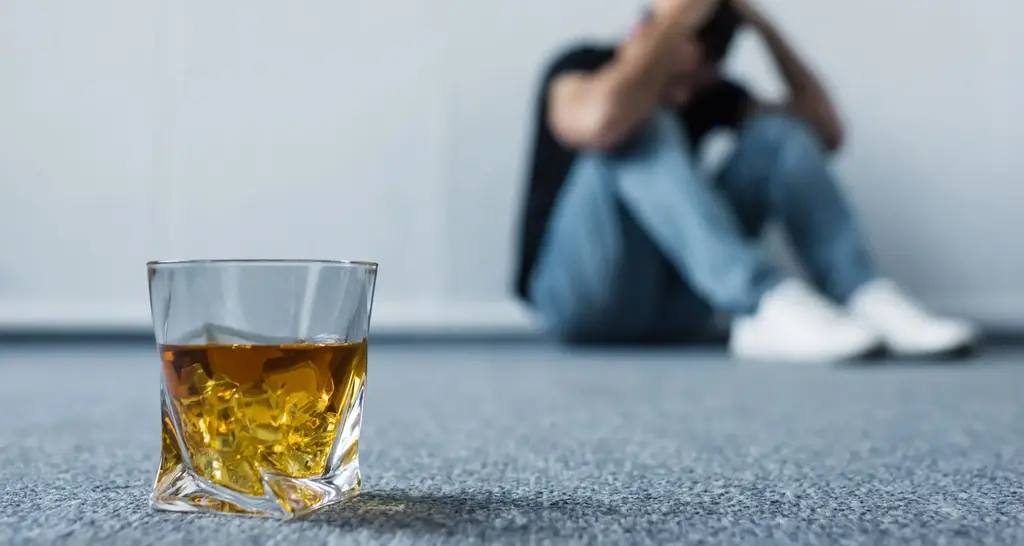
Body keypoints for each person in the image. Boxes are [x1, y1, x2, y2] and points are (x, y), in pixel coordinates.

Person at [513, 0, 978, 362]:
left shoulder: (710, 95)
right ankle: (764, 299)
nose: (683, 95)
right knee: (638, 124)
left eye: (694, 83)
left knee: (778, 135)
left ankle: (862, 292)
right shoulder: (580, 66)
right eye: (675, 79)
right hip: (580, 300)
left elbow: (824, 134)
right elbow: (600, 122)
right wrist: (671, 20)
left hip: (673, 306)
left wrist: (762, 24)